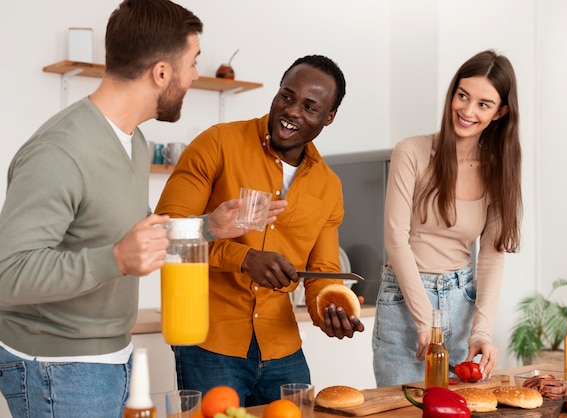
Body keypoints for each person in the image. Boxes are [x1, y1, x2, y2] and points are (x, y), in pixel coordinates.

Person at [0, 1, 286, 416]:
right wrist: (115, 259)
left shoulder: (131, 140)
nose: (193, 76)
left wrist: (208, 227)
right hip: (57, 366)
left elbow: (131, 238)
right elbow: (8, 274)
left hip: (112, 356)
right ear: (162, 72)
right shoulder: (59, 151)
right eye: (192, 63)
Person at [155, 54, 365, 406]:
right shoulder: (218, 144)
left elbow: (324, 271)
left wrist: (328, 310)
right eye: (287, 96)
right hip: (209, 344)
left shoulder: (329, 186)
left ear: (329, 117)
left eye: (310, 107)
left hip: (283, 350)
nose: (292, 111)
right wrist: (244, 258)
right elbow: (167, 231)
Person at [372, 49, 522, 387]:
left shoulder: (498, 170)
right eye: (462, 96)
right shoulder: (410, 151)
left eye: (484, 104)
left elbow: (492, 255)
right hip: (404, 303)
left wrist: (482, 330)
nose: (467, 111)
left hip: (460, 300)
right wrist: (426, 322)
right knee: (402, 408)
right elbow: (396, 238)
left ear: (500, 113)